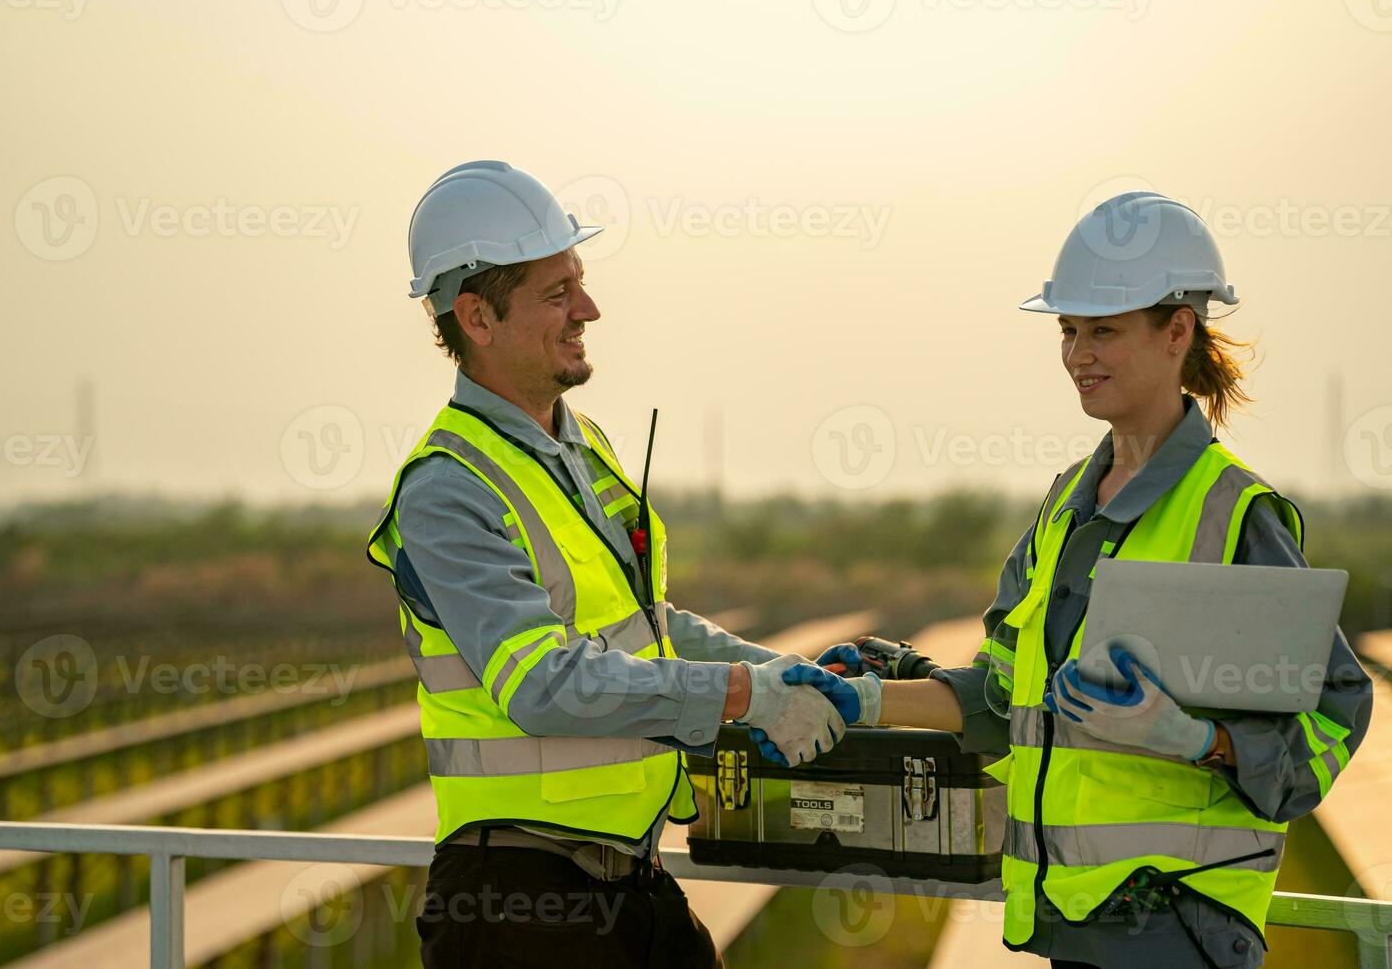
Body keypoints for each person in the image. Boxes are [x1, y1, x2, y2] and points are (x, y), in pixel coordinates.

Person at [771, 192, 1374, 968]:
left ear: (1177, 332)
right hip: (1072, 919)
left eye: (1105, 331)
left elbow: (1334, 714)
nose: (1078, 354)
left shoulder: (1236, 515)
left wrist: (1202, 741)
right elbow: (1001, 697)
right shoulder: (1063, 508)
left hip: (1180, 923)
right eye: (1069, 330)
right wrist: (871, 698)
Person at [366, 160, 844, 969]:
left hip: (627, 882)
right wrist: (741, 696)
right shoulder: (449, 488)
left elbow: (648, 630)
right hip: (519, 905)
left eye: (579, 284)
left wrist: (781, 673)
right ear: (477, 317)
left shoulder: (581, 447)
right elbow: (542, 683)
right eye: (557, 294)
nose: (589, 309)